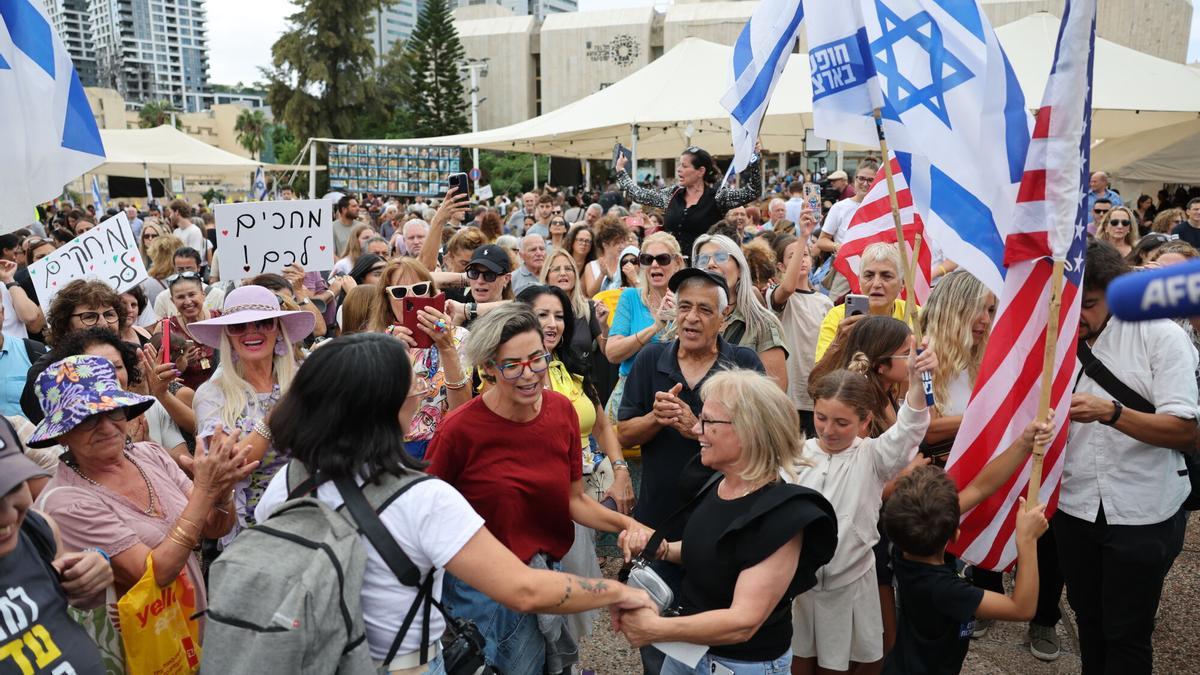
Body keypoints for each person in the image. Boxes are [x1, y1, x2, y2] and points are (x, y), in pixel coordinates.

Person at [250, 333, 655, 674]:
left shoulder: (288, 483)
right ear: (386, 405)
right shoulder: (421, 498)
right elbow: (525, 590)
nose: (422, 393)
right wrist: (618, 594)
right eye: (416, 386)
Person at [426, 304, 654, 674]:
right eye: (512, 365)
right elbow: (428, 517)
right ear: (487, 368)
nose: (529, 373)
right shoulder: (459, 430)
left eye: (537, 359)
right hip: (477, 592)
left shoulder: (561, 411)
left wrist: (627, 525)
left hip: (542, 577)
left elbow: (573, 499)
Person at [616, 370, 839, 675]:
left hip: (739, 665)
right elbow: (717, 551)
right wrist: (664, 549)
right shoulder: (717, 483)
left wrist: (656, 628)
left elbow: (743, 622)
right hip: (688, 653)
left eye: (708, 421)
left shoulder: (783, 514)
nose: (697, 429)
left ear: (750, 431)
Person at [31, 355, 253, 632]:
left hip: (194, 629)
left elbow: (213, 526)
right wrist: (206, 489)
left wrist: (221, 492)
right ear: (62, 435)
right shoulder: (66, 502)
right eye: (87, 419)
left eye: (113, 411)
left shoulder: (150, 454)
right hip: (141, 650)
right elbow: (155, 573)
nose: (106, 426)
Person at [1055, 240, 1195, 674]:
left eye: (1090, 304)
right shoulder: (1055, 337)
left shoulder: (1161, 336)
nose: (1078, 316)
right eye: (1069, 303)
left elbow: (1185, 429)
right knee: (1089, 620)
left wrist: (1111, 413)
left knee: (1128, 631)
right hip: (1075, 506)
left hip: (1142, 510)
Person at [617, 269, 765, 674]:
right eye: (684, 307)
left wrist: (695, 426)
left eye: (704, 309)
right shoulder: (651, 359)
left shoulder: (744, 363)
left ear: (725, 315)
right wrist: (656, 418)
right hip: (658, 528)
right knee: (656, 639)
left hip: (724, 530)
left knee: (715, 643)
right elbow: (624, 430)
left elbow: (763, 439)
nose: (691, 318)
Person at [788, 339, 936, 675]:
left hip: (850, 585)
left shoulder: (872, 457)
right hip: (802, 588)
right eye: (822, 418)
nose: (829, 430)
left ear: (866, 422)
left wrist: (915, 382)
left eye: (842, 423)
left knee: (842, 666)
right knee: (798, 662)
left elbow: (909, 430)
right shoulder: (796, 455)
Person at [882, 465, 1051, 675]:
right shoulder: (945, 591)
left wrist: (1023, 443)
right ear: (955, 536)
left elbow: (980, 488)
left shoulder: (903, 544)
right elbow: (1021, 608)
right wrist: (1027, 540)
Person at [187, 285, 316, 540]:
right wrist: (273, 418)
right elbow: (230, 466)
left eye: (263, 323)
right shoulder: (212, 394)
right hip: (254, 531)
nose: (251, 332)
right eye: (238, 326)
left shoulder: (305, 378)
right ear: (228, 337)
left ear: (278, 330)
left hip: (314, 516)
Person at [0, 429, 113, 674]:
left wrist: (93, 566)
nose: (8, 514)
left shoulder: (37, 530)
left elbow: (76, 601)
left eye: (11, 485)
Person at [370, 258, 469, 461]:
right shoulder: (374, 342)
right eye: (399, 292)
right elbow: (371, 411)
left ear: (431, 292)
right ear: (386, 299)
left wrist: (447, 347)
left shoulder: (459, 337)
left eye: (419, 289)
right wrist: (390, 354)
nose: (411, 298)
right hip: (393, 452)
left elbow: (462, 409)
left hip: (447, 447)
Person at [615, 145, 762, 257]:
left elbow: (753, 191)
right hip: (670, 267)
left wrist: (754, 160)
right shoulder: (672, 194)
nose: (679, 170)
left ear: (701, 171)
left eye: (684, 166)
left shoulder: (719, 197)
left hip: (703, 268)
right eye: (679, 165)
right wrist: (621, 170)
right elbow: (639, 195)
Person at [605, 233, 684, 421]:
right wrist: (655, 327)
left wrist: (680, 315)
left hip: (674, 396)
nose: (655, 264)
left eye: (663, 259)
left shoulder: (689, 300)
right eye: (648, 259)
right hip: (630, 395)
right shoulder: (630, 297)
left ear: (678, 262)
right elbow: (613, 353)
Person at [693, 234, 788, 389]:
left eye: (721, 257)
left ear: (739, 269)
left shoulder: (762, 324)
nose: (710, 264)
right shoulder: (683, 321)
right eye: (703, 260)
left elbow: (775, 394)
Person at [769, 236, 833, 437]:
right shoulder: (776, 294)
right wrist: (804, 236)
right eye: (794, 255)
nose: (802, 259)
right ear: (781, 265)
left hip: (817, 397)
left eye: (805, 254)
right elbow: (787, 288)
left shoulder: (825, 302)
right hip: (789, 398)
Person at [815, 242, 910, 360]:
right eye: (869, 276)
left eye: (886, 276)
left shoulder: (915, 316)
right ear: (859, 281)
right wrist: (839, 344)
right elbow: (819, 375)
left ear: (903, 283)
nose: (876, 284)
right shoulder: (837, 317)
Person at [542, 249, 607, 360]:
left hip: (585, 376)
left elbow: (607, 351)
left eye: (568, 268)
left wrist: (604, 326)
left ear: (575, 275)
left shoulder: (589, 308)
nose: (563, 273)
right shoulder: (538, 311)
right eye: (556, 269)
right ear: (547, 277)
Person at [582, 217, 632, 297]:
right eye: (617, 242)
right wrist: (602, 274)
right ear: (604, 244)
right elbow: (591, 294)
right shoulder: (591, 266)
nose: (621, 246)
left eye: (622, 242)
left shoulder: (626, 263)